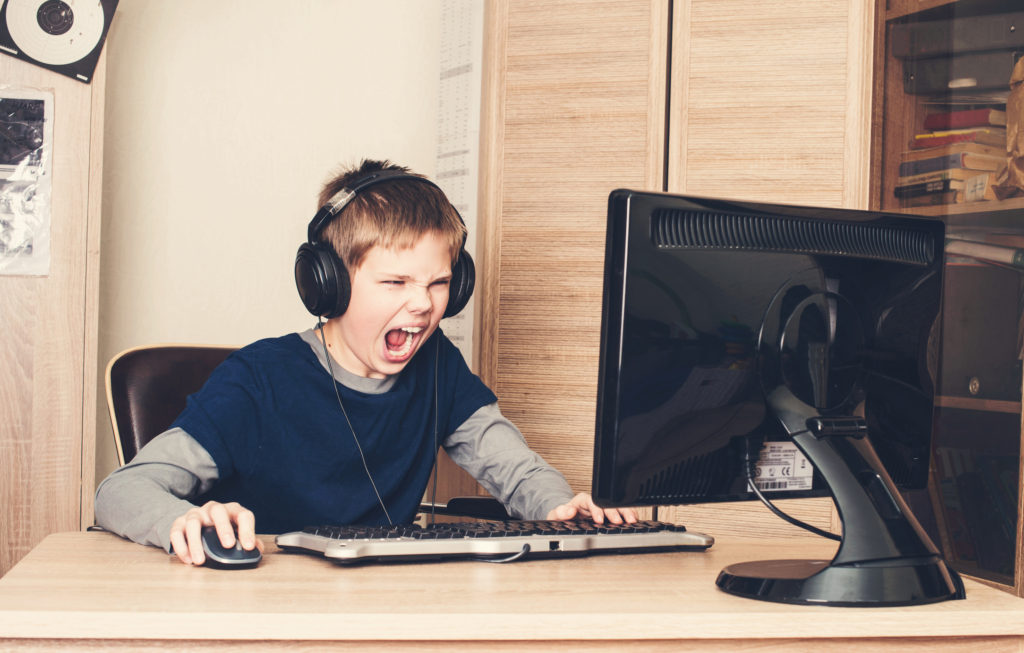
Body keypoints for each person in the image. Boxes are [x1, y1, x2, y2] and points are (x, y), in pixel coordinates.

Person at [95, 158, 636, 566]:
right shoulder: (259, 380)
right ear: (327, 285)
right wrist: (186, 520)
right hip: (263, 611)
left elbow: (517, 472)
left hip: (380, 612)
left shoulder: (438, 366)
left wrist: (563, 508)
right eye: (396, 282)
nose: (424, 304)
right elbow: (120, 492)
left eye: (440, 282)